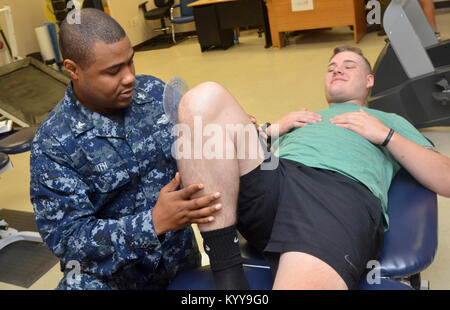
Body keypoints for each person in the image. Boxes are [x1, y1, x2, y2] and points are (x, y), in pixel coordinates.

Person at [175, 45, 450, 290]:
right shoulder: (303, 118)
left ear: (369, 81)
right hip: (278, 174)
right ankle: (228, 274)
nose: (337, 70)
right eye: (331, 68)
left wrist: (385, 135)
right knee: (202, 99)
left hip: (336, 191)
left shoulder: (388, 120)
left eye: (348, 66)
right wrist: (271, 131)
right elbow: (235, 157)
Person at [29, 8, 222, 290]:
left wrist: (256, 131)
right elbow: (69, 240)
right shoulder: (54, 144)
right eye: (113, 71)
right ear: (73, 69)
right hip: (114, 280)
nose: (130, 77)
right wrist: (152, 223)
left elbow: (200, 144)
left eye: (130, 62)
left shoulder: (153, 94)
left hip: (179, 267)